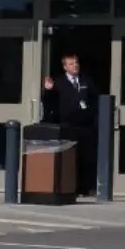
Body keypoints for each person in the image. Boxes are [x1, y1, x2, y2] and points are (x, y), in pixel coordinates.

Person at [42, 54, 98, 197]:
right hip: (68, 125)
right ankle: (70, 188)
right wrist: (48, 90)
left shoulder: (86, 80)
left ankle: (85, 188)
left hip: (85, 125)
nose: (75, 65)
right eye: (71, 64)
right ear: (65, 67)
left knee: (86, 157)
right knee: (71, 157)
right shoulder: (59, 83)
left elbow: (94, 99)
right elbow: (50, 103)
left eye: (76, 63)